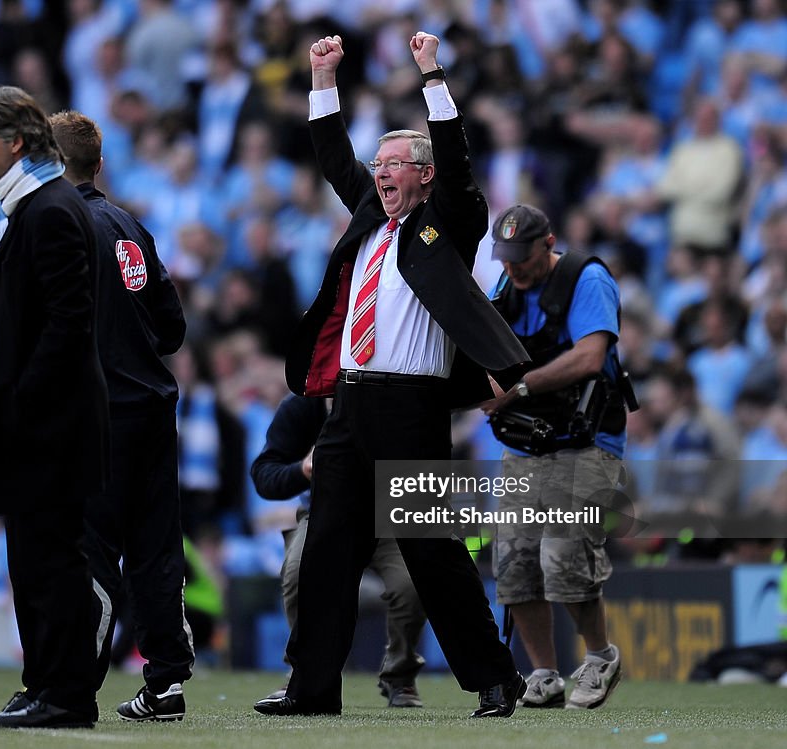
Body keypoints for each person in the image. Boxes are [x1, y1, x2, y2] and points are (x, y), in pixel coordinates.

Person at [253, 32, 529, 719]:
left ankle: (497, 679)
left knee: (433, 551)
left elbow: (458, 155)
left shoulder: (450, 222)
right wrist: (322, 76)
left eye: (395, 163)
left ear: (425, 175)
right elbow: (328, 154)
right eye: (378, 163)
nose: (380, 172)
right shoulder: (370, 216)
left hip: (412, 406)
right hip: (348, 406)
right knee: (326, 553)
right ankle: (310, 688)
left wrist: (431, 72)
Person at [0, 86, 109, 730]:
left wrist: (21, 403)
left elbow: (68, 325)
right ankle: (43, 683)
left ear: (15, 142)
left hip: (51, 426)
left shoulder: (49, 211)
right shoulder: (28, 209)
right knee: (33, 561)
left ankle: (66, 695)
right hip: (38, 421)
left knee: (51, 562)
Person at [49, 110, 194, 723]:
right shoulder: (130, 223)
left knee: (90, 549)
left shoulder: (56, 224)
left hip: (97, 412)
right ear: (98, 163)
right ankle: (165, 683)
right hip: (153, 409)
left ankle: (73, 686)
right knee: (155, 549)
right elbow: (173, 328)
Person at [480, 203, 630, 710]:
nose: (514, 268)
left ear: (548, 245)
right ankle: (543, 675)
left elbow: (590, 357)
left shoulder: (585, 278)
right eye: (506, 258)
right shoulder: (506, 290)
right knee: (515, 564)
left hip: (588, 444)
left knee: (564, 555)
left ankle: (601, 657)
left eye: (522, 257)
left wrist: (517, 389)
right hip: (526, 446)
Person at [251, 393, 427, 708]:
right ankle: (306, 671)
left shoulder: (392, 396)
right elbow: (264, 475)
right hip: (325, 513)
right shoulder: (301, 406)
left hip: (391, 514)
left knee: (412, 582)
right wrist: (302, 470)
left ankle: (400, 674)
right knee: (297, 571)